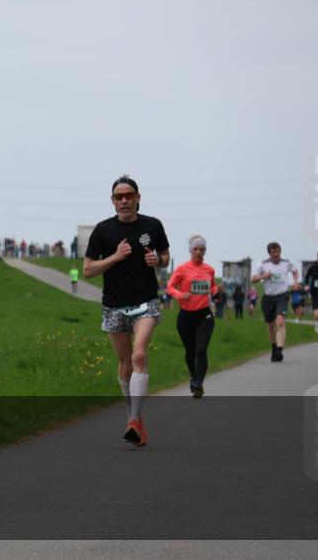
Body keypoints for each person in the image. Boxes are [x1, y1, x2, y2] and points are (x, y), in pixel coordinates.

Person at [83, 175, 170, 447]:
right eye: (118, 197)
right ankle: (135, 418)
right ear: (112, 201)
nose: (124, 201)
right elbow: (87, 270)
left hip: (146, 302)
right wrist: (115, 257)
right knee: (124, 366)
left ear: (138, 198)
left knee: (139, 354)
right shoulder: (102, 230)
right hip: (114, 305)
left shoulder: (153, 225)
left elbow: (165, 256)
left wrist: (159, 260)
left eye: (128, 195)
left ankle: (133, 419)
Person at [167, 235, 217, 398]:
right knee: (190, 351)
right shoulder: (182, 269)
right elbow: (169, 287)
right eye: (195, 249)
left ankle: (199, 383)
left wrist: (216, 292)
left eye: (202, 249)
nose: (198, 252)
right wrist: (180, 295)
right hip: (186, 317)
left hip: (204, 315)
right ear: (190, 250)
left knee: (201, 349)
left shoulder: (209, 269)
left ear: (205, 251)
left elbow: (213, 286)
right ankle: (193, 375)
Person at [251, 242, 299, 363]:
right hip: (268, 298)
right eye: (273, 252)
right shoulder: (263, 264)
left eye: (278, 251)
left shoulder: (286, 263)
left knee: (280, 322)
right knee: (271, 325)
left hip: (282, 295)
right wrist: (264, 275)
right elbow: (254, 279)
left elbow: (295, 271)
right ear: (269, 253)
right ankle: (274, 346)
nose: (276, 254)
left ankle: (279, 349)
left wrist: (296, 282)